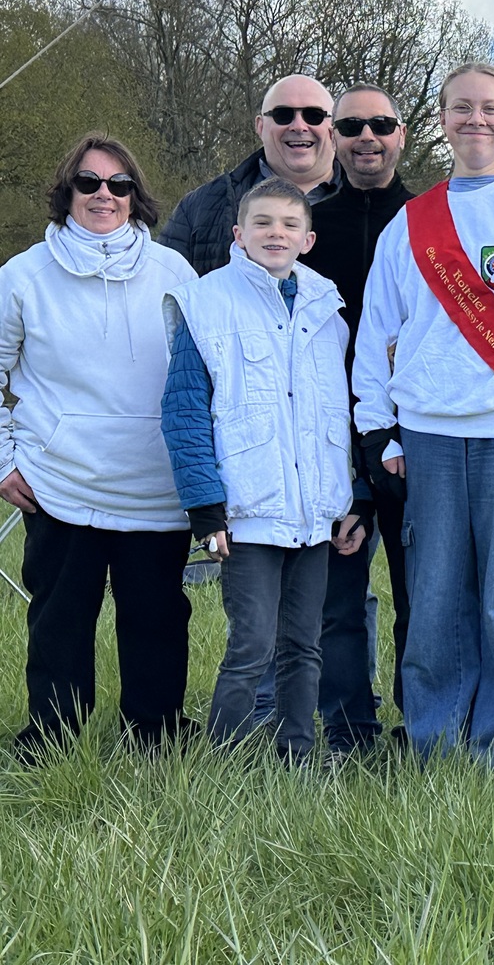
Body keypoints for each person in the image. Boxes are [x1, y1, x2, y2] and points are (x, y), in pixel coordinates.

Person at [353, 63, 494, 770]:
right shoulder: (410, 222)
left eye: (489, 108)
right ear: (442, 119)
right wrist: (379, 428)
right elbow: (377, 330)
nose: (475, 119)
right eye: (461, 107)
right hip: (428, 434)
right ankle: (437, 747)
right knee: (435, 602)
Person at [0, 135, 197, 758]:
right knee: (60, 618)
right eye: (88, 183)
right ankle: (52, 739)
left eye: (118, 184)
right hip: (60, 481)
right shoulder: (23, 275)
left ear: (136, 196)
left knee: (157, 618)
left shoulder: (175, 273)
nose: (103, 195)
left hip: (156, 486)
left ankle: (157, 733)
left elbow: (202, 378)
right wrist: (3, 461)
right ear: (67, 192)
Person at [161, 177, 359, 763]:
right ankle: (224, 763)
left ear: (308, 239)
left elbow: (337, 413)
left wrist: (348, 498)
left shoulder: (328, 310)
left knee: (305, 645)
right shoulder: (206, 304)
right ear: (238, 234)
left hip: (313, 513)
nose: (277, 233)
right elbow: (184, 413)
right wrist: (206, 509)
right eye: (263, 223)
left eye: (290, 224)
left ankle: (297, 756)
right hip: (246, 512)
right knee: (250, 645)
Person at [248, 84, 416, 758]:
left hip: (419, 438)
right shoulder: (306, 232)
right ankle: (350, 733)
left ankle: (422, 727)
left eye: (381, 124)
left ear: (402, 134)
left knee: (423, 598)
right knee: (337, 601)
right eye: (351, 126)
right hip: (329, 444)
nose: (367, 136)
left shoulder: (432, 221)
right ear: (333, 141)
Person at [160, 74, 341, 276]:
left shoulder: (367, 204)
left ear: (334, 128)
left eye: (314, 115)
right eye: (282, 115)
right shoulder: (199, 207)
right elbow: (163, 286)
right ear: (260, 126)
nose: (299, 126)